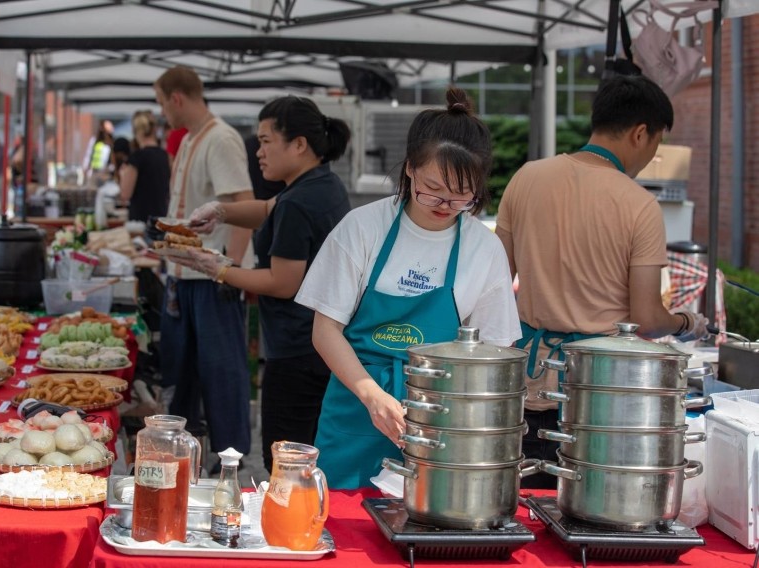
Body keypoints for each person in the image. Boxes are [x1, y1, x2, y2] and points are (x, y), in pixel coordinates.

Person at [294, 88, 522, 489]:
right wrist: (371, 395)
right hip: (355, 405)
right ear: (411, 168)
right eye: (433, 188)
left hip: (439, 419)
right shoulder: (362, 228)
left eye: (461, 196)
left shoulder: (483, 248)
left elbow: (492, 354)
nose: (444, 204)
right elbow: (324, 329)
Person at [495, 75, 710, 489]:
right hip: (598, 392)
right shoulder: (640, 206)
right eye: (655, 144)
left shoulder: (527, 177)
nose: (651, 155)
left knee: (521, 511)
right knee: (588, 514)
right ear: (640, 133)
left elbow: (496, 286)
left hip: (528, 380)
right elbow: (646, 320)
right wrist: (685, 322)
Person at [171, 96, 352, 472]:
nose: (258, 152)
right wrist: (220, 211)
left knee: (286, 463)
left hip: (297, 349)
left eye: (267, 140)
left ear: (299, 144)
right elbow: (268, 208)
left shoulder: (298, 203)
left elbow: (283, 282)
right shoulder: (321, 184)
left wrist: (214, 268)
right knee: (311, 458)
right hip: (323, 343)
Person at [153, 65, 254, 467]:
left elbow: (243, 204)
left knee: (222, 371)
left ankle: (232, 458)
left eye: (162, 103)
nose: (162, 112)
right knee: (188, 372)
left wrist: (229, 269)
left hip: (211, 277)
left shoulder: (220, 139)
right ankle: (189, 452)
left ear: (177, 98)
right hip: (187, 276)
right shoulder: (194, 138)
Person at [119, 110, 170, 223]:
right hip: (162, 218)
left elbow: (125, 194)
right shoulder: (164, 155)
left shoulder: (137, 157)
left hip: (140, 221)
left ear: (136, 131)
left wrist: (123, 175)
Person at [83, 119, 114, 184]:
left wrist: (109, 170)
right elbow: (88, 155)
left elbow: (112, 160)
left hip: (105, 174)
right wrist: (86, 169)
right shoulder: (94, 141)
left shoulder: (111, 144)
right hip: (94, 172)